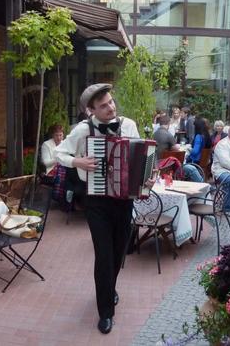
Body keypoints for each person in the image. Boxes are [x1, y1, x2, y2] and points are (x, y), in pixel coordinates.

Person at [54, 83, 154, 334]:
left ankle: (110, 289)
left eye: (111, 102)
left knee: (119, 251)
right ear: (91, 110)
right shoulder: (82, 130)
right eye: (103, 106)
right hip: (96, 200)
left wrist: (145, 179)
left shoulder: (128, 125)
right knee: (103, 254)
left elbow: (141, 157)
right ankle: (105, 312)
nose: (110, 108)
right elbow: (59, 153)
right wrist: (78, 160)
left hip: (124, 199)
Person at [181, 117, 210, 182]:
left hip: (195, 161)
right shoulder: (207, 135)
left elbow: (195, 151)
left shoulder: (198, 136)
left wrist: (188, 148)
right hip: (203, 160)